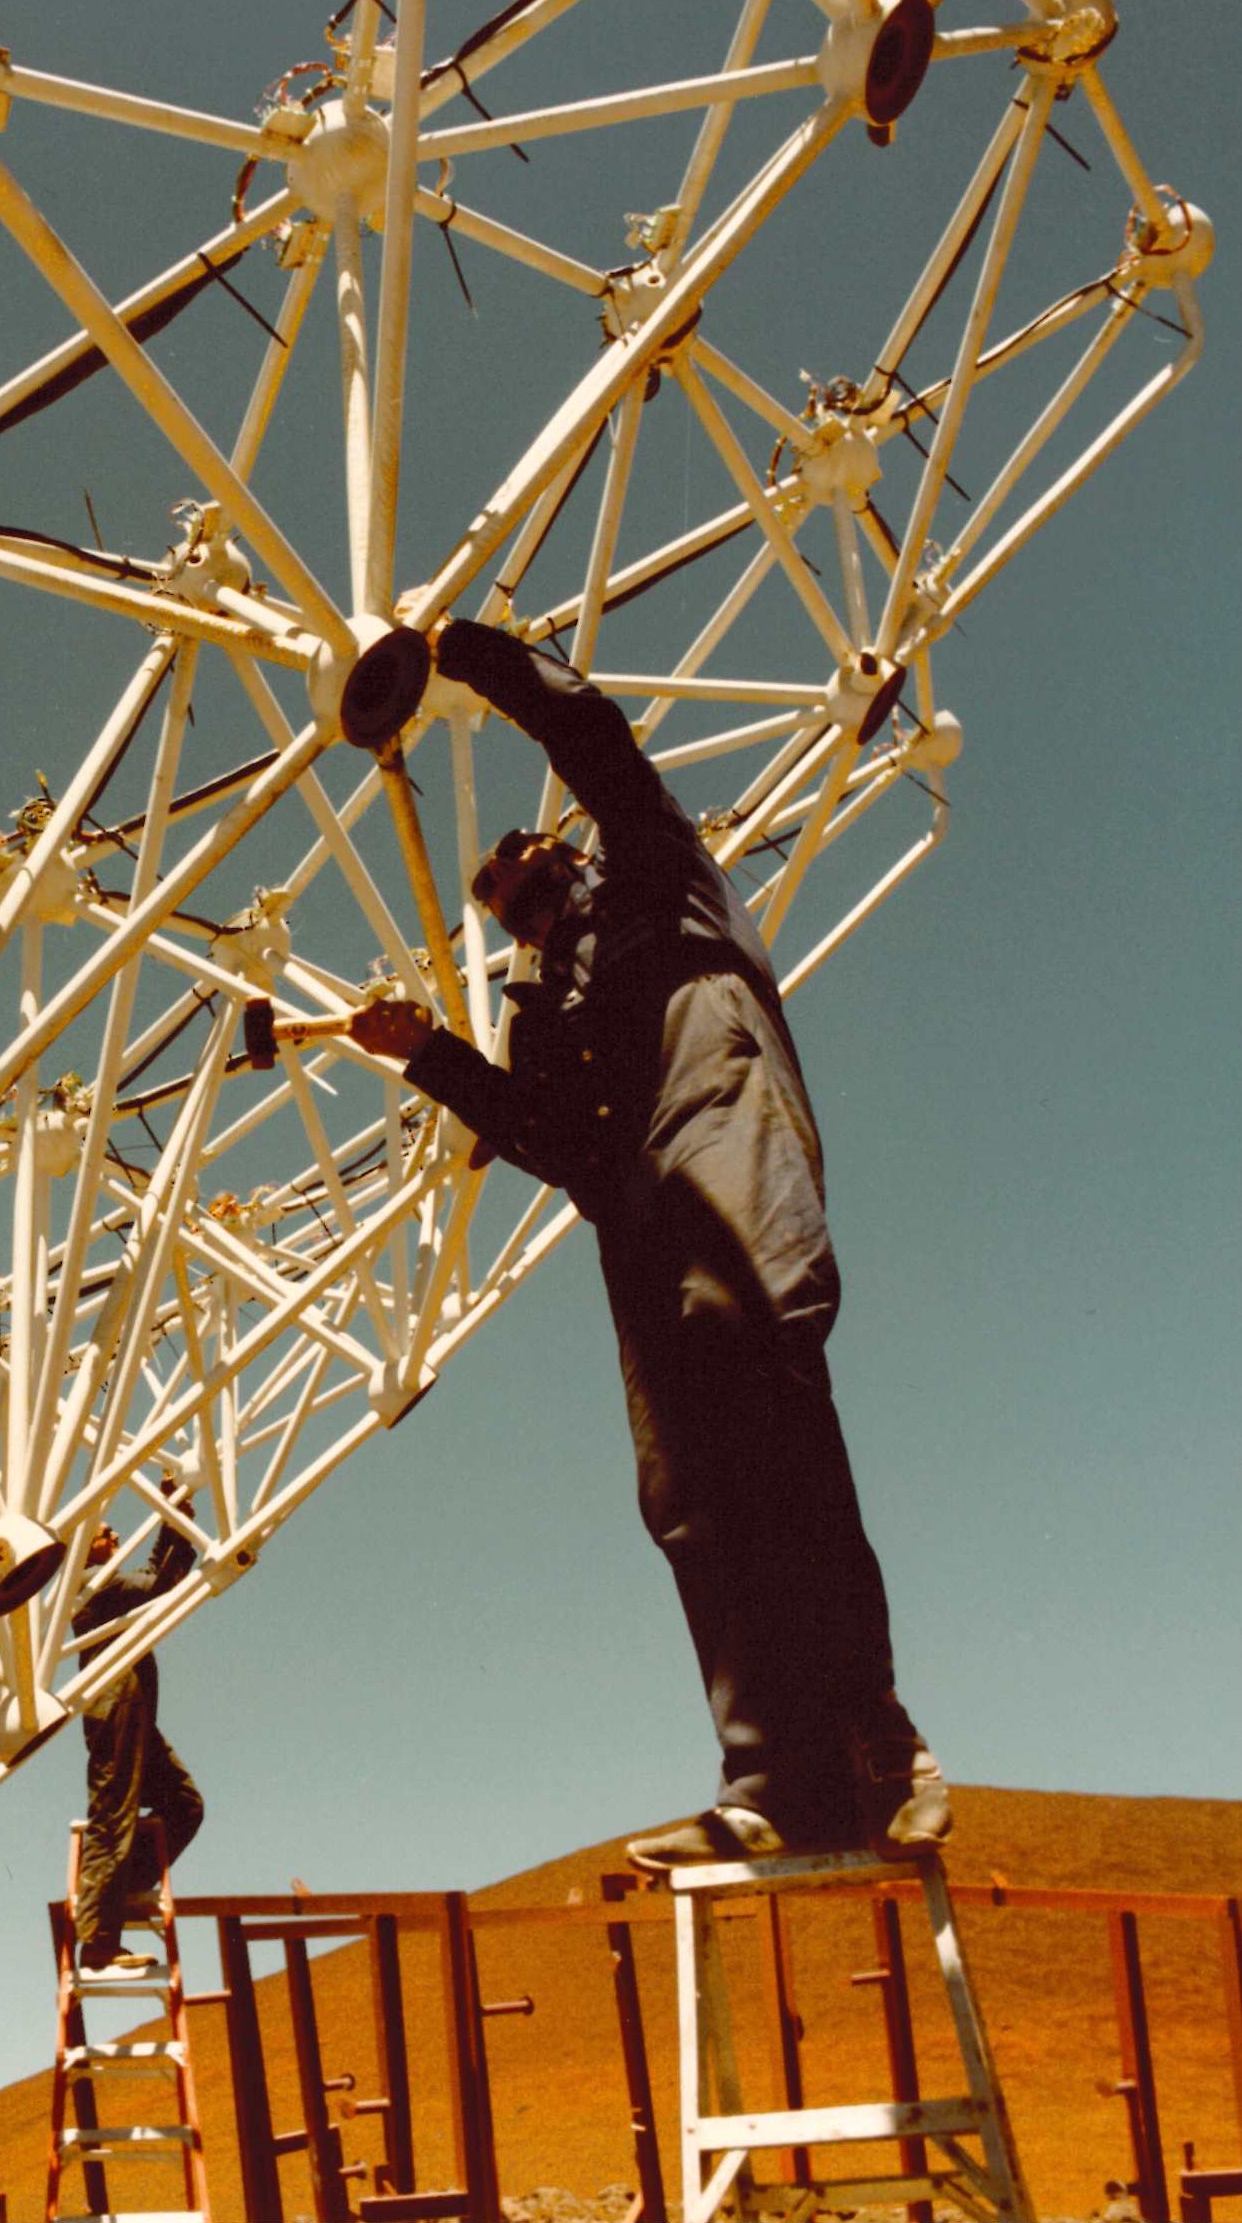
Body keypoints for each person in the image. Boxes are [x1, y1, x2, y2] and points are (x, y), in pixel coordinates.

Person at [348, 620, 949, 1873]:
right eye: (495, 891)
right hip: (634, 1204)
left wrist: (476, 655)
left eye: (519, 859)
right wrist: (434, 1057)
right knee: (683, 1491)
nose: (510, 880)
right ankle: (772, 1778)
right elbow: (551, 1139)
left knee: (761, 1373)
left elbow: (597, 742)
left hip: (723, 1126)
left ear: (564, 846)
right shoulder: (542, 1013)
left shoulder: (657, 876)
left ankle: (877, 1745)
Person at [70, 1480, 205, 1972]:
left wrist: (175, 1519)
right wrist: (174, 1520)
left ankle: (120, 1893)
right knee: (113, 1818)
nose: (115, 1534)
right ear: (84, 1549)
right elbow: (158, 1585)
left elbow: (157, 1579)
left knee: (184, 1805)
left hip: (134, 1713)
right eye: (106, 1533)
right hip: (117, 1711)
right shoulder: (95, 1585)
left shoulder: (103, 1588)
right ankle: (99, 1942)